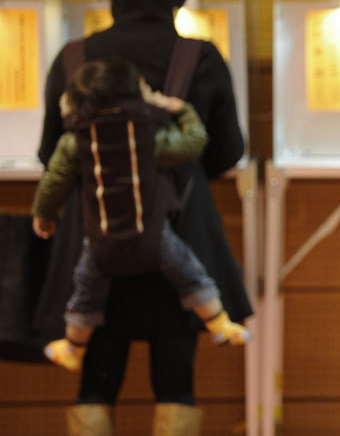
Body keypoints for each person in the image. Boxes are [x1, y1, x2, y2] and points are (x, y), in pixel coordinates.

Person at [35, 0, 252, 435]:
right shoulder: (199, 57)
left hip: (94, 240)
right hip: (177, 237)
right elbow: (226, 153)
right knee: (176, 377)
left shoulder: (72, 58)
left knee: (95, 375)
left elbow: (52, 155)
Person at [33, 58, 249, 374]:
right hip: (154, 236)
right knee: (191, 274)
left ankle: (73, 347)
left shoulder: (75, 141)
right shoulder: (147, 136)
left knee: (85, 292)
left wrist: (44, 213)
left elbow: (53, 180)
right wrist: (182, 110)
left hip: (100, 241)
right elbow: (194, 143)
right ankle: (219, 323)